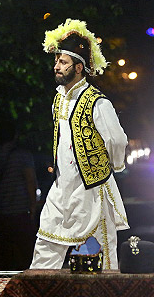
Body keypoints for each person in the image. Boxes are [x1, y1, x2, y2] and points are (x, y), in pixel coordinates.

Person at [29, 18, 129, 270]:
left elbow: (117, 139)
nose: (56, 66)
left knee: (102, 252)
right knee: (46, 244)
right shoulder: (58, 100)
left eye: (63, 62)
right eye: (56, 61)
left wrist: (114, 167)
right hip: (62, 187)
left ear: (79, 67)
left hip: (91, 188)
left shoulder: (97, 101)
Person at [0, 120, 38, 270]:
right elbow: (30, 182)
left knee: (2, 257)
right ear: (15, 136)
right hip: (20, 213)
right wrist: (33, 208)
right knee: (24, 257)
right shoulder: (23, 156)